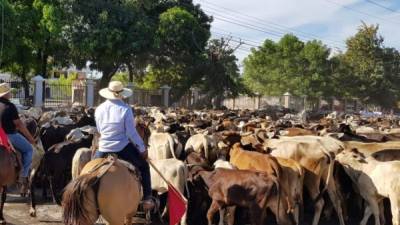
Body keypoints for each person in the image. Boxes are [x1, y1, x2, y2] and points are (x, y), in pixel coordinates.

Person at [94, 81, 154, 210]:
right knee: (144, 167)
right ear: (122, 94)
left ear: (108, 93)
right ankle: (147, 197)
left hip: (103, 147)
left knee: (89, 173)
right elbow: (131, 133)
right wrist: (142, 149)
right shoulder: (126, 109)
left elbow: (99, 130)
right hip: (122, 147)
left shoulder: (99, 109)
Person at [0, 83, 35, 193]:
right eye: (9, 92)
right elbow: (19, 124)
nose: (10, 94)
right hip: (10, 136)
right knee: (29, 149)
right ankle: (23, 176)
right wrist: (30, 138)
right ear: (6, 94)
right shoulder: (10, 106)